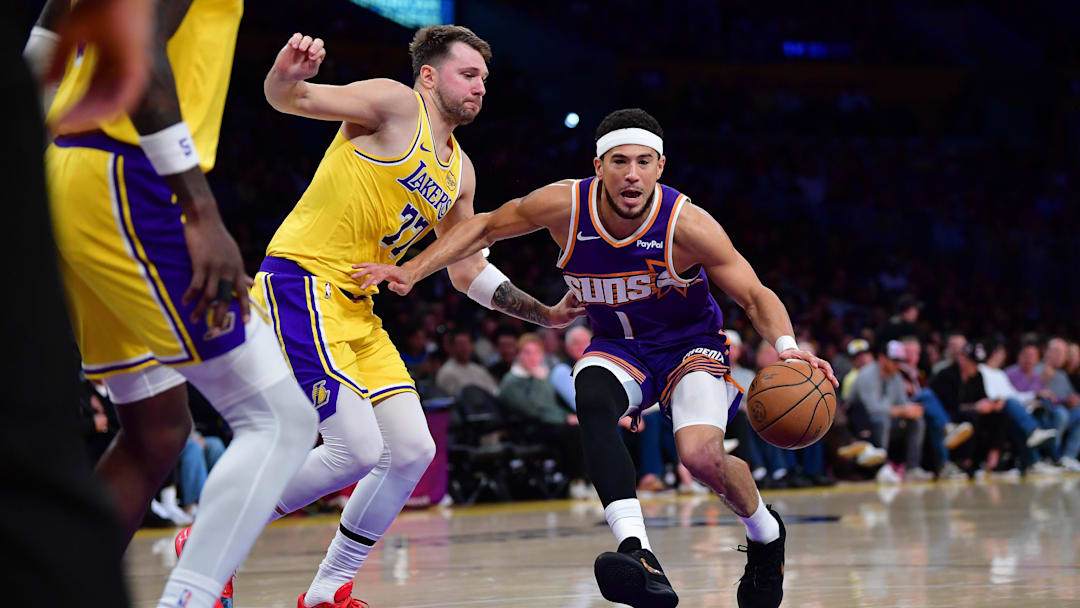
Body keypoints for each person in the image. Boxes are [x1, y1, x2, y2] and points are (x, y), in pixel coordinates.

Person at [355, 108, 839, 608]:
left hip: (688, 346)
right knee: (590, 394)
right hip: (617, 346)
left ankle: (765, 533)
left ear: (661, 167)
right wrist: (412, 269)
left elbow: (755, 296)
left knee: (700, 458)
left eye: (644, 162)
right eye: (620, 161)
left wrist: (789, 350)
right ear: (598, 165)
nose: (632, 173)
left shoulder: (687, 225)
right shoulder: (563, 205)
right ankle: (638, 552)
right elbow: (480, 229)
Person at [252, 27, 582, 607]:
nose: (481, 87)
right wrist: (287, 71)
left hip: (357, 306)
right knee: (352, 448)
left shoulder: (461, 173)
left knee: (411, 450)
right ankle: (212, 535)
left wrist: (548, 315)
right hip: (302, 281)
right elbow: (291, 99)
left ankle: (329, 589)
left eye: (485, 78)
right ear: (429, 75)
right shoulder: (396, 104)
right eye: (468, 74)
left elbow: (466, 270)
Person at [42, 1, 321, 607]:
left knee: (156, 431)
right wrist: (201, 210)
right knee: (281, 420)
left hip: (75, 170)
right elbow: (140, 52)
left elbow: (45, 40)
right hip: (128, 177)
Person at [499, 333, 588, 497]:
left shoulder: (540, 375)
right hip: (527, 429)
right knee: (573, 432)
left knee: (584, 427)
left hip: (549, 423)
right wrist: (565, 418)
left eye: (536, 353)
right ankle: (577, 481)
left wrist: (568, 417)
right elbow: (534, 409)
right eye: (527, 353)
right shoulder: (511, 381)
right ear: (519, 355)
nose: (532, 357)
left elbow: (551, 406)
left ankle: (591, 480)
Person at [436, 330, 500, 396]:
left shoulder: (478, 369)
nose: (465, 348)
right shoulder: (446, 373)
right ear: (452, 348)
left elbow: (494, 391)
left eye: (467, 344)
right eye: (461, 345)